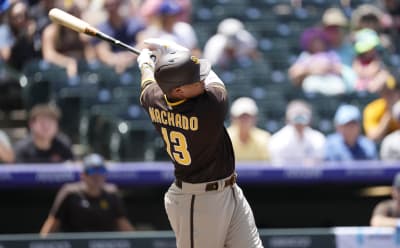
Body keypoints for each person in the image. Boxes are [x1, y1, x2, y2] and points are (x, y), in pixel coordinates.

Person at [136, 38, 263, 247]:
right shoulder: (210, 107)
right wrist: (180, 51)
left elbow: (148, 84)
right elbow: (215, 81)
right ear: (178, 91)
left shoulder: (154, 100)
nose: (202, 80)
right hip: (199, 199)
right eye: (196, 80)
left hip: (229, 190)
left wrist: (146, 65)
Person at [40, 153, 134, 234]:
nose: (97, 176)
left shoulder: (112, 194)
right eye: (92, 171)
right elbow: (51, 227)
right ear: (83, 175)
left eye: (101, 171)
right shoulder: (69, 193)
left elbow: (125, 227)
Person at [93, 0, 145, 74]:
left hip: (135, 67)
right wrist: (118, 60)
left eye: (115, 5)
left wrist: (127, 58)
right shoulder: (102, 28)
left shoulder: (135, 24)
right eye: (109, 6)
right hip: (112, 71)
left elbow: (144, 44)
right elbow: (103, 54)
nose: (113, 9)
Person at [268, 100, 326, 166]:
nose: (299, 123)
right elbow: (277, 166)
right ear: (287, 120)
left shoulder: (318, 138)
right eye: (296, 117)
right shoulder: (277, 140)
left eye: (302, 117)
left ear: (310, 119)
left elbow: (319, 164)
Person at [227, 97, 270, 161]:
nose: (244, 120)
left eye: (248, 117)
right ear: (233, 118)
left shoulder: (264, 138)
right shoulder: (224, 138)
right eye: (241, 117)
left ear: (255, 118)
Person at [363, 73, 400, 142]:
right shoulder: (373, 108)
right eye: (386, 92)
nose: (391, 95)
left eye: (394, 91)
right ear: (381, 93)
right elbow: (373, 137)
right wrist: (389, 113)